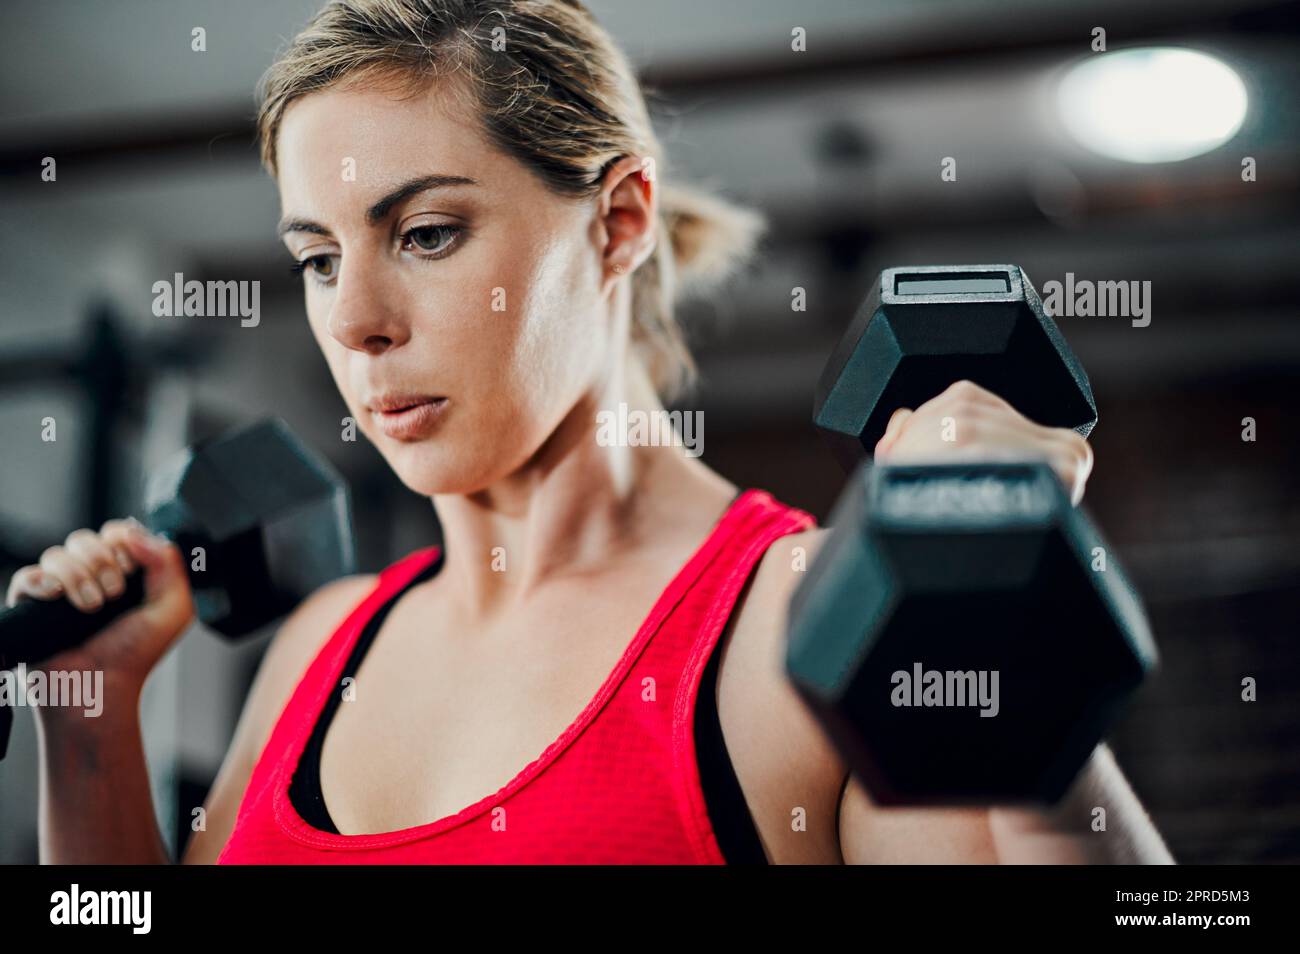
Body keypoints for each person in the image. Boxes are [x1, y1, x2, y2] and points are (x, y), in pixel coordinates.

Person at [8, 0, 1171, 864]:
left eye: (424, 234)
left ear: (616, 224)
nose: (354, 322)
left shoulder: (806, 624)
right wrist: (89, 723)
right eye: (317, 258)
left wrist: (1005, 623)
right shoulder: (319, 650)